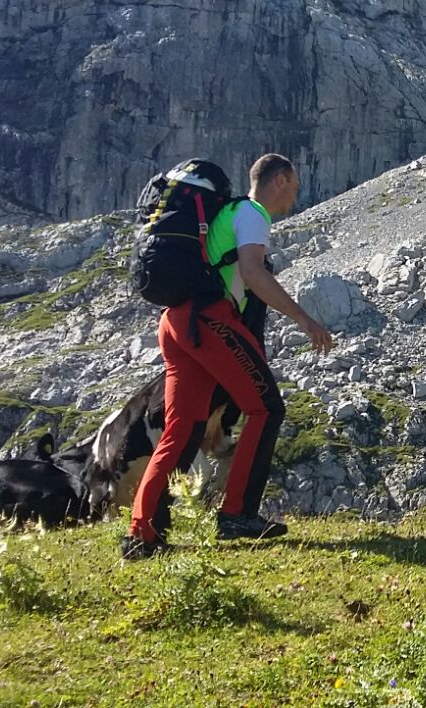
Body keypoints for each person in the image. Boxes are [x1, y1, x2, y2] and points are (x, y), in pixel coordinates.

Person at [122, 153, 334, 559]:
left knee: (182, 429)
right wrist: (306, 320)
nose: (294, 198)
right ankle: (237, 514)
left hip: (176, 321)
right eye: (294, 187)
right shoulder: (252, 213)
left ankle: (142, 534)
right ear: (280, 179)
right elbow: (253, 273)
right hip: (207, 320)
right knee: (266, 408)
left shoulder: (228, 213)